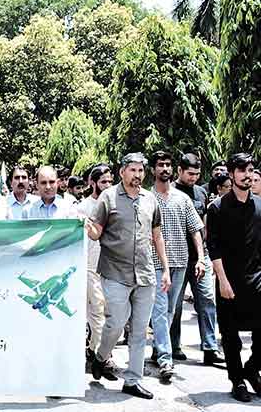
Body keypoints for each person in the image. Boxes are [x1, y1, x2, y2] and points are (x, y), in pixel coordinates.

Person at [86, 152, 171, 399]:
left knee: (139, 330)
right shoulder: (108, 197)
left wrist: (165, 269)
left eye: (140, 170)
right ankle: (101, 356)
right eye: (132, 170)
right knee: (116, 323)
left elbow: (157, 237)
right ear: (122, 172)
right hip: (115, 272)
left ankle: (133, 380)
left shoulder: (150, 200)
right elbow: (96, 232)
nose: (137, 175)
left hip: (145, 274)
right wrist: (87, 226)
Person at [206, 153, 261, 402]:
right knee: (230, 336)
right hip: (228, 281)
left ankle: (252, 369)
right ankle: (237, 380)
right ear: (231, 174)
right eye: (242, 170)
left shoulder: (259, 206)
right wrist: (223, 281)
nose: (247, 175)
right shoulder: (218, 208)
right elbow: (214, 247)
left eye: (250, 170)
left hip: (257, 280)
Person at [148, 151, 205, 381]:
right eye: (160, 165)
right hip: (155, 263)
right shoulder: (146, 198)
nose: (165, 169)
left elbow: (195, 229)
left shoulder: (182, 199)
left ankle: (158, 348)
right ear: (153, 169)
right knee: (160, 310)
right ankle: (165, 359)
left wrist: (201, 257)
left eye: (168, 165)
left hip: (180, 261)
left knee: (170, 310)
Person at [172, 153, 224, 365]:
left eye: (196, 174)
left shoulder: (201, 192)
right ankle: (173, 346)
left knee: (207, 300)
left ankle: (210, 347)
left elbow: (204, 224)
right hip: (176, 258)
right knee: (174, 306)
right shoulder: (170, 192)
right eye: (189, 174)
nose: (193, 178)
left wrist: (206, 251)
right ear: (179, 171)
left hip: (200, 257)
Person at [76, 164, 113, 361]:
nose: (107, 185)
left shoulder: (115, 205)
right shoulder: (83, 208)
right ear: (93, 183)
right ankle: (101, 355)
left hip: (113, 267)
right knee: (97, 309)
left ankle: (94, 349)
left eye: (110, 182)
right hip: (91, 266)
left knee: (109, 312)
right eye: (103, 182)